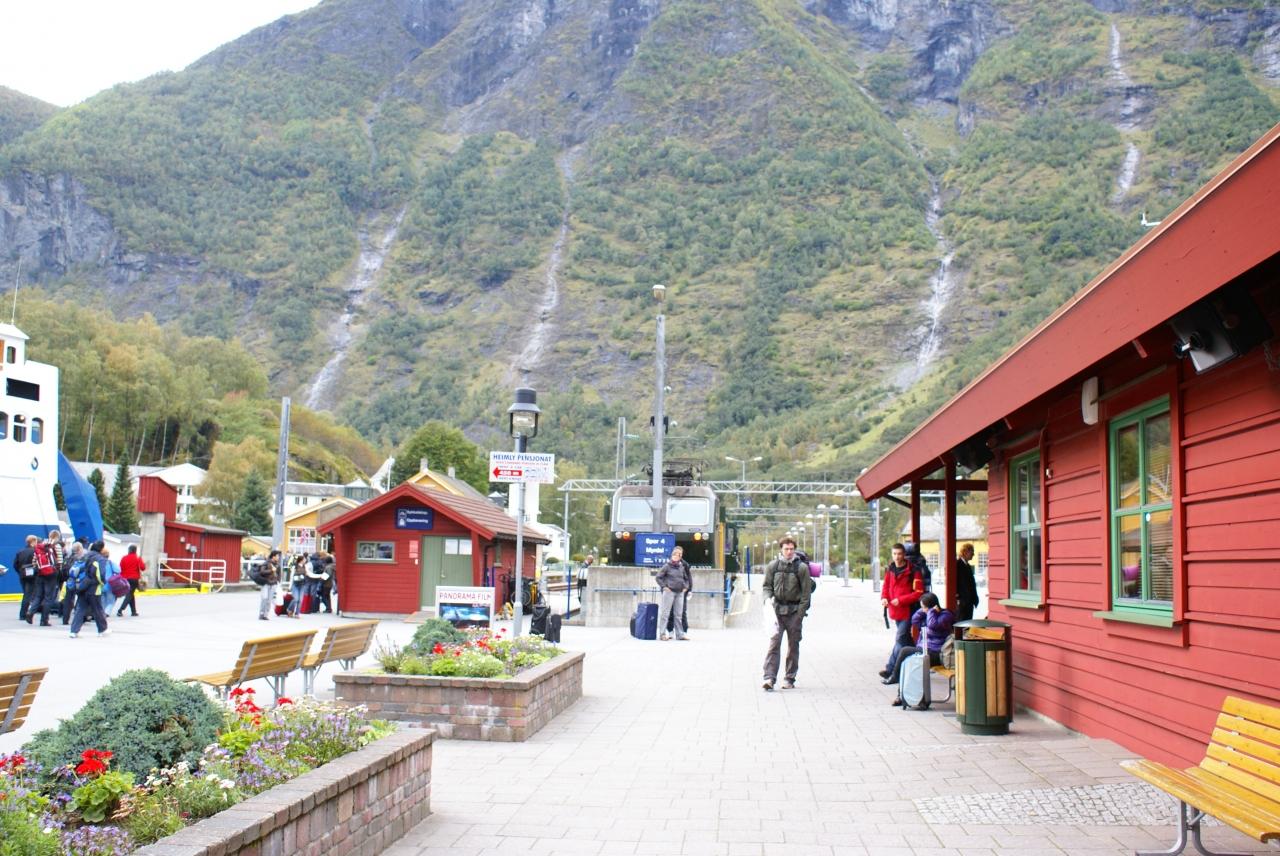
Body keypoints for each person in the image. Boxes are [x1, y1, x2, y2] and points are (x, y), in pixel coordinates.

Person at [761, 536, 813, 691]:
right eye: (786, 549)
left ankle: (789, 678)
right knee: (774, 645)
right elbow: (766, 587)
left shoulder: (801, 568)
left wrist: (800, 614)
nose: (789, 552)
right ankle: (769, 678)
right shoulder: (773, 566)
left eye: (791, 549)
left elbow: (806, 594)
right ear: (781, 550)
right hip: (777, 612)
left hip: (794, 612)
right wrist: (767, 600)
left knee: (793, 646)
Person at [888, 592, 955, 706]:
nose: (923, 610)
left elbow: (933, 625)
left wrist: (931, 611)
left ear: (931, 606)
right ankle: (901, 696)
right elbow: (915, 620)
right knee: (908, 664)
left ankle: (895, 677)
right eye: (921, 607)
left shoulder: (946, 616)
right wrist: (924, 610)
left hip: (937, 653)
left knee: (905, 651)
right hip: (925, 650)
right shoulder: (927, 614)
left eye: (924, 607)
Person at [880, 542, 925, 684]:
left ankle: (892, 671)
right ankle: (918, 658)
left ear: (904, 554)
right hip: (895, 611)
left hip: (908, 610)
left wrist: (901, 600)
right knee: (906, 640)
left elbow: (919, 592)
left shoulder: (914, 571)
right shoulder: (890, 568)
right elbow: (886, 586)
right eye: (894, 554)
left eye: (899, 554)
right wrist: (884, 598)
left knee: (899, 639)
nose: (897, 557)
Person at [70, 540, 110, 638]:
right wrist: (102, 583)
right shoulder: (100, 559)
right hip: (94, 587)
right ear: (101, 548)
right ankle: (102, 630)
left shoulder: (86, 556)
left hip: (82, 586)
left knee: (80, 609)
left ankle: (74, 631)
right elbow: (100, 575)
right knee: (97, 609)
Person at [655, 546, 691, 641]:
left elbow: (686, 579)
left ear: (680, 557)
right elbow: (658, 577)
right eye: (674, 554)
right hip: (669, 592)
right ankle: (662, 634)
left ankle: (680, 635)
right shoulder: (666, 566)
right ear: (672, 555)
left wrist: (686, 587)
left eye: (678, 555)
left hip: (680, 593)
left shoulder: (682, 567)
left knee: (678, 615)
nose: (676, 556)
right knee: (665, 614)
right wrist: (664, 587)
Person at [60, 542, 86, 626]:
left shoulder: (68, 557)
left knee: (68, 600)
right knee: (81, 600)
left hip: (69, 581)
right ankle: (80, 618)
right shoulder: (81, 558)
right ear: (80, 549)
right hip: (79, 582)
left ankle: (65, 619)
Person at [14, 534, 38, 622]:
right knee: (28, 595)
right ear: (33, 541)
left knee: (26, 593)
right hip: (32, 576)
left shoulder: (20, 551)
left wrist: (20, 572)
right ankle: (23, 614)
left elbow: (15, 564)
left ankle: (24, 613)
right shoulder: (35, 551)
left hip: (22, 575)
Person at [117, 544, 145, 617]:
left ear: (129, 550)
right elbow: (143, 568)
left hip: (125, 579)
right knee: (130, 594)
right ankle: (120, 609)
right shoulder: (137, 558)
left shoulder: (124, 558)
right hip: (134, 578)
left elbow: (120, 567)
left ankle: (133, 611)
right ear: (135, 550)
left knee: (131, 594)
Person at [955, 543, 979, 622]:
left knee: (968, 623)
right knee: (961, 623)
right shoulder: (957, 565)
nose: (973, 554)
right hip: (962, 602)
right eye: (971, 551)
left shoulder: (968, 566)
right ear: (965, 552)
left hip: (969, 602)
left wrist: (975, 598)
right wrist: (958, 597)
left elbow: (971, 584)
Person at [258, 550, 281, 621]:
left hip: (273, 584)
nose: (278, 557)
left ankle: (266, 614)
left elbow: (279, 574)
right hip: (266, 583)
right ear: (273, 556)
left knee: (269, 600)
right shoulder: (266, 563)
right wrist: (271, 570)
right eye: (277, 556)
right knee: (264, 598)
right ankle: (261, 614)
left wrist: (278, 581)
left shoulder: (277, 564)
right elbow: (262, 572)